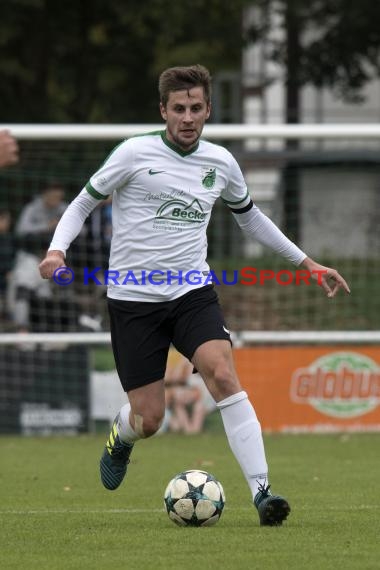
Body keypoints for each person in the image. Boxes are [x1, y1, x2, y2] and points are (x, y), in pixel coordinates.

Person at [39, 64, 350, 526]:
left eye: (196, 108)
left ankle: (263, 493)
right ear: (163, 110)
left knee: (222, 374)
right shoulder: (132, 153)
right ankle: (120, 439)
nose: (188, 117)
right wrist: (56, 251)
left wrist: (306, 262)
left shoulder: (221, 162)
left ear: (207, 110)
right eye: (179, 108)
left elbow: (251, 218)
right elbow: (84, 201)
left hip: (192, 292)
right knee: (149, 419)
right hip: (133, 299)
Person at [10, 182, 67, 330]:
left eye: (59, 197)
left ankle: (42, 332)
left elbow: (82, 230)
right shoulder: (32, 208)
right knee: (22, 289)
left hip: (52, 260)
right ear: (45, 195)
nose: (56, 200)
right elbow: (21, 230)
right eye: (53, 196)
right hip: (29, 257)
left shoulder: (63, 209)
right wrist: (47, 226)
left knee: (44, 296)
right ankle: (21, 329)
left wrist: (61, 226)